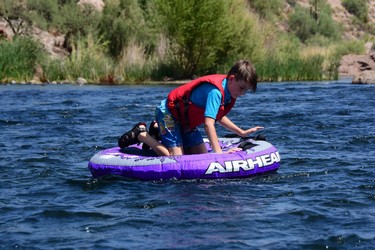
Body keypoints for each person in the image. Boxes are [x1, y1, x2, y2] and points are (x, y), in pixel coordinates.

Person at [118, 59, 264, 156]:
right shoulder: (216, 92)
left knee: (201, 156)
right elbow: (208, 124)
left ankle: (157, 129)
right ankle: (142, 134)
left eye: (246, 90)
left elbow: (218, 116)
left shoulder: (230, 93)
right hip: (168, 114)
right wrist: (219, 153)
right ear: (232, 79)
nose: (243, 93)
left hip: (185, 121)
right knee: (175, 158)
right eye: (242, 88)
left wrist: (241, 132)